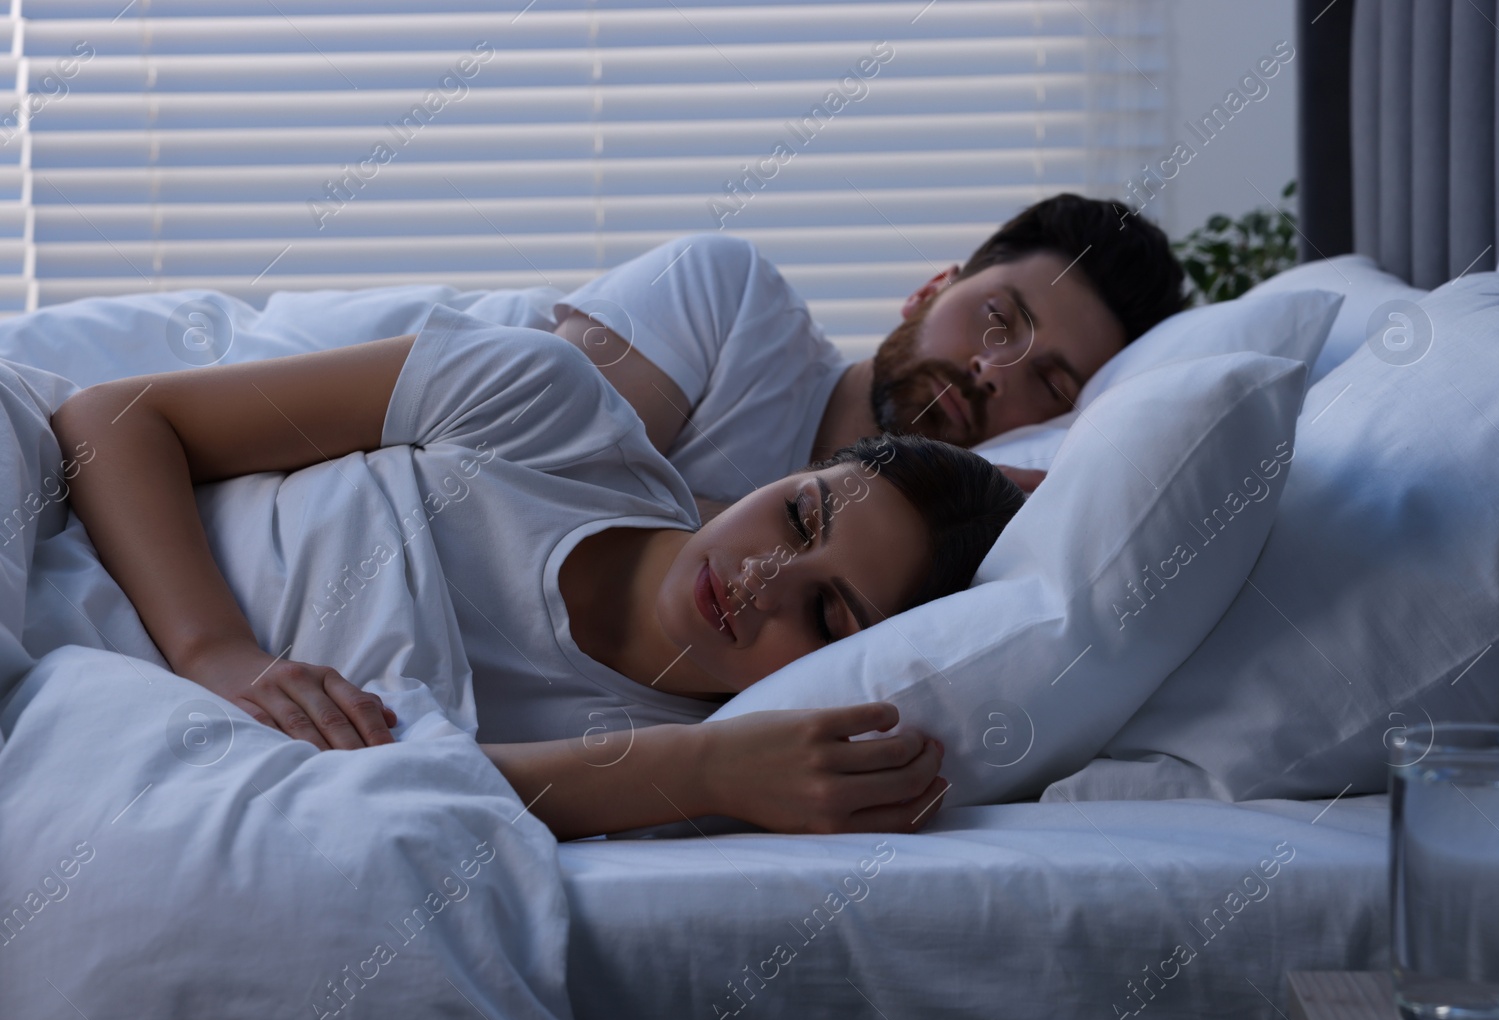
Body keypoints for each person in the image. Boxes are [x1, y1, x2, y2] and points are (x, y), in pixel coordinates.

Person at [50, 305, 1025, 841]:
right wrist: (215, 649)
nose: (762, 580)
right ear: (782, 473)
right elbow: (115, 420)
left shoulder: (688, 759)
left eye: (827, 616)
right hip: (72, 542)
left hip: (106, 728)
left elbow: (392, 800)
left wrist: (703, 773)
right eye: (798, 516)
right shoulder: (545, 410)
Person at [553, 192, 1186, 517]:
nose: (992, 370)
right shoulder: (729, 295)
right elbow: (526, 481)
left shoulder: (912, 564)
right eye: (997, 319)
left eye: (1050, 383)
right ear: (930, 290)